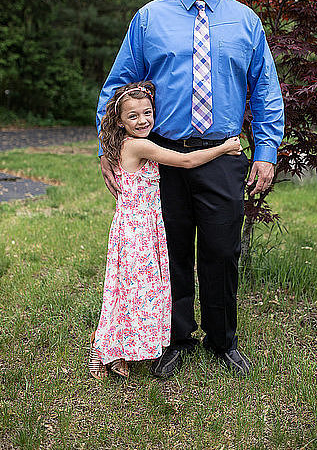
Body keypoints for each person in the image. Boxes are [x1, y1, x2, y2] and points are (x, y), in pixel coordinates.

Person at [96, 0, 284, 379]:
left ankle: (223, 340)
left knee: (221, 251)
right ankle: (175, 337)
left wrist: (266, 150)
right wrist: (108, 148)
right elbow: (118, 86)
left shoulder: (246, 22)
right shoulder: (149, 19)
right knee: (171, 250)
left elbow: (265, 90)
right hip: (162, 157)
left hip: (222, 155)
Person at [89, 81, 242, 380]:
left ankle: (120, 351)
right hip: (138, 233)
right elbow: (185, 160)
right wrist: (225, 146)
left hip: (135, 228)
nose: (143, 120)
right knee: (132, 291)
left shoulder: (123, 141)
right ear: (120, 120)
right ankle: (102, 348)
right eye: (133, 116)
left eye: (148, 113)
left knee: (127, 291)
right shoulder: (138, 145)